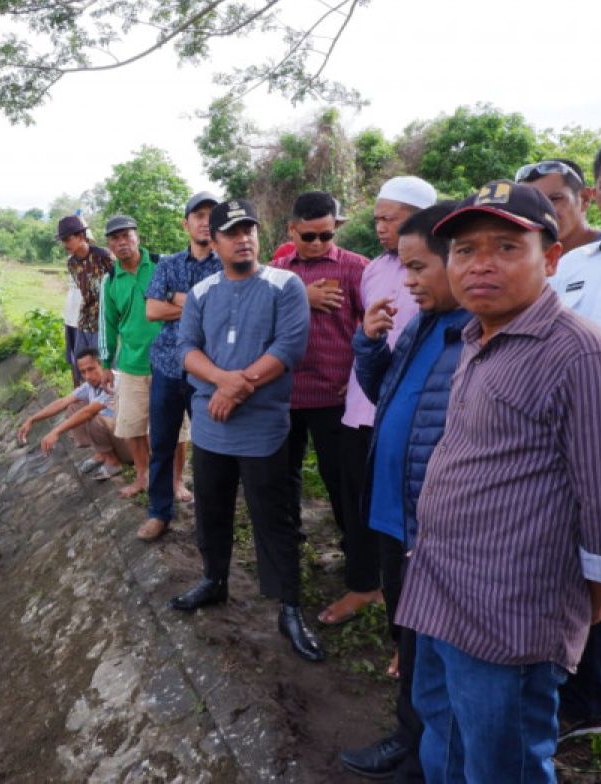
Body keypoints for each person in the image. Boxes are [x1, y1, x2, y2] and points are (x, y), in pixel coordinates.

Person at [397, 181, 601, 782]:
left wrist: (591, 598)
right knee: (443, 737)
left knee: (503, 764)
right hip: (440, 591)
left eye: (505, 247)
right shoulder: (476, 336)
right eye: (464, 251)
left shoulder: (582, 356)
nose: (480, 264)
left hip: (509, 617)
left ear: (550, 258)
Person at [338, 200, 464, 781]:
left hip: (429, 525)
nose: (407, 281)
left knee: (432, 653)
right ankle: (410, 739)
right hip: (394, 511)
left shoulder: (473, 336)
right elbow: (384, 391)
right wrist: (368, 342)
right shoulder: (421, 323)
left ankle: (421, 755)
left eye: (418, 268)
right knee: (408, 638)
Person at [171, 199, 323, 662]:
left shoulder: (285, 285)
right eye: (232, 232)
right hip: (212, 429)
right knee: (211, 512)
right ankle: (214, 580)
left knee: (273, 519)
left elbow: (289, 347)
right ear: (212, 241)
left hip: (263, 428)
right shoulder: (202, 293)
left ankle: (289, 606)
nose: (243, 239)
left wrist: (238, 389)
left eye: (249, 230)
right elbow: (186, 349)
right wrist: (223, 381)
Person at [333, 176, 436, 628]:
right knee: (360, 501)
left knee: (409, 515)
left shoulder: (444, 272)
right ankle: (365, 583)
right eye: (375, 219)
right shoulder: (374, 270)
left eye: (388, 218)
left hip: (412, 414)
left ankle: (414, 613)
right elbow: (370, 330)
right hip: (363, 405)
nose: (379, 227)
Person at [270, 191, 375, 624]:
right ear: (291, 230)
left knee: (342, 482)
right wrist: (301, 297)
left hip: (337, 397)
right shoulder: (275, 274)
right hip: (286, 395)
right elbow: (263, 320)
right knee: (285, 476)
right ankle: (290, 547)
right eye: (308, 236)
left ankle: (358, 564)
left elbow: (374, 327)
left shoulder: (355, 268)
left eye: (325, 235)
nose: (316, 244)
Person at [548, 139, 601, 742]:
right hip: (574, 444)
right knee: (588, 567)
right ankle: (585, 698)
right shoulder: (576, 265)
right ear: (599, 194)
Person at [140, 191, 222, 540]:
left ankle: (209, 518)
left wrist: (174, 296)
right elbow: (151, 311)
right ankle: (159, 511)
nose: (205, 221)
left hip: (207, 371)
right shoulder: (168, 264)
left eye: (211, 215)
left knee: (208, 448)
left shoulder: (227, 265)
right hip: (166, 367)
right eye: (198, 215)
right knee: (161, 443)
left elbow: (224, 310)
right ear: (186, 222)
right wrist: (194, 303)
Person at [98, 215, 160, 499]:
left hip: (168, 362)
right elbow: (107, 325)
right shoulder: (109, 280)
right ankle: (142, 476)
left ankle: (175, 481)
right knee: (134, 424)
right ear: (109, 244)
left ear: (138, 236)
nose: (122, 242)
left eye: (126, 235)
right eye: (115, 238)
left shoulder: (162, 265)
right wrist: (105, 364)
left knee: (177, 429)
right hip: (131, 365)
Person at [16, 347, 130, 477]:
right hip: (116, 435)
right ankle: (102, 454)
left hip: (131, 442)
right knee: (73, 407)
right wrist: (32, 419)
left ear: (103, 365)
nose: (88, 376)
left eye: (91, 369)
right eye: (83, 372)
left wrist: (56, 431)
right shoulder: (90, 384)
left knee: (92, 417)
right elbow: (63, 402)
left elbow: (89, 412)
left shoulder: (114, 382)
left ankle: (113, 463)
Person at [516, 158, 601, 252]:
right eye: (530, 202)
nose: (541, 210)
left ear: (584, 199)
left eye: (554, 199)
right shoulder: (522, 257)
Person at [60, 215, 114, 358]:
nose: (65, 244)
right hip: (84, 321)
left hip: (104, 322)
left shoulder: (103, 256)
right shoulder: (71, 263)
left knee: (102, 366)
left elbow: (118, 286)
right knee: (82, 364)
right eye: (62, 241)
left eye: (67, 239)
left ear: (81, 236)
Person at [63, 277, 84, 386]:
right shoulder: (72, 261)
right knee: (73, 357)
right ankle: (77, 389)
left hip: (90, 320)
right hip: (71, 313)